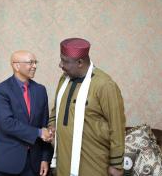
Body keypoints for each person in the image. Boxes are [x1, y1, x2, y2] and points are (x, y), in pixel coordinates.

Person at [48, 38, 126, 176]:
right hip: (63, 160)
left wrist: (116, 164)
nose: (60, 65)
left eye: (65, 61)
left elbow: (117, 125)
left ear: (80, 62)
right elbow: (56, 109)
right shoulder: (63, 79)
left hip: (92, 162)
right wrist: (52, 126)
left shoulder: (104, 85)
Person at [0, 50, 54, 176]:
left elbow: (44, 125)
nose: (35, 66)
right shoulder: (1, 90)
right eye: (31, 62)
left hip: (34, 164)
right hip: (7, 163)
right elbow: (7, 123)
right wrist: (38, 133)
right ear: (16, 65)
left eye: (35, 62)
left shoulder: (40, 90)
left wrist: (45, 158)